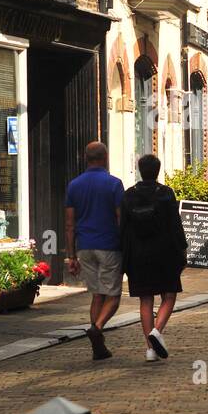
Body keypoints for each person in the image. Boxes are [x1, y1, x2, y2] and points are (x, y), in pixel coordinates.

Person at [121, 153, 187, 361]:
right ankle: (157, 332)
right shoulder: (166, 193)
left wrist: (124, 256)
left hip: (139, 254)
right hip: (165, 252)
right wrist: (182, 249)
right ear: (158, 170)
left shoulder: (129, 195)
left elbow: (123, 228)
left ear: (140, 170)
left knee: (145, 299)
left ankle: (150, 350)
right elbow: (175, 225)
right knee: (169, 294)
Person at [65, 141, 124, 360]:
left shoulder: (74, 185)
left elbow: (69, 223)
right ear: (105, 157)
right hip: (109, 245)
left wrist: (71, 255)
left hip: (84, 247)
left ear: (85, 158)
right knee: (114, 295)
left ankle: (97, 346)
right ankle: (96, 328)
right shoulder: (114, 184)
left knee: (97, 294)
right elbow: (121, 218)